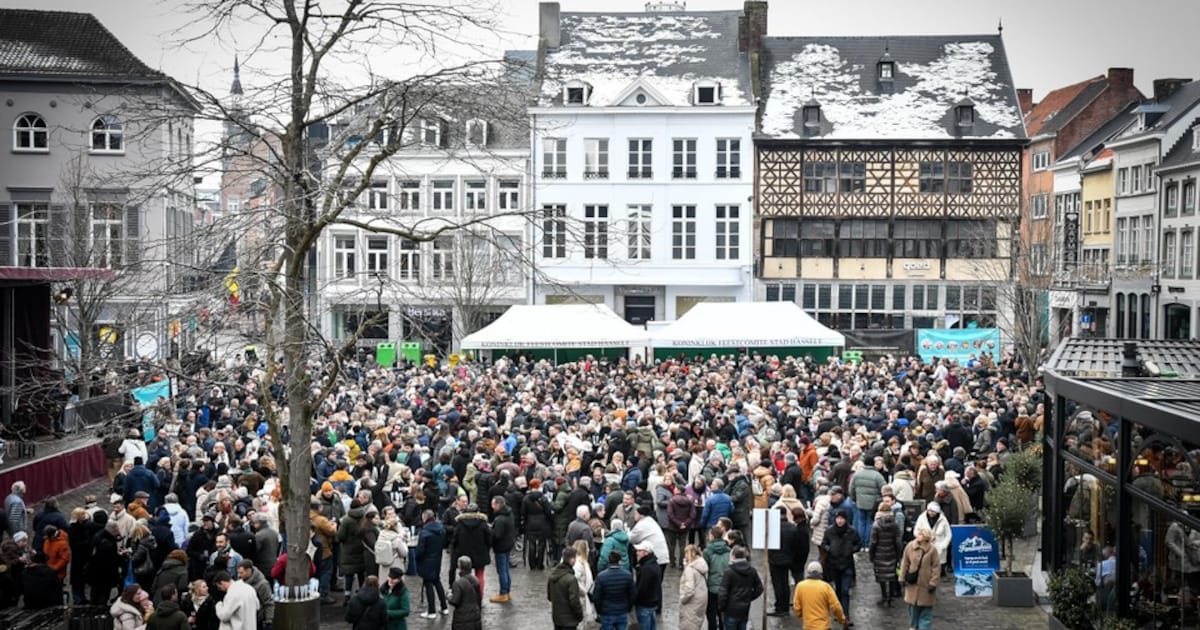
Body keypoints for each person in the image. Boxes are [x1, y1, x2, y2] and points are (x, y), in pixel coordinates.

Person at [820, 509, 860, 626]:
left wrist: (851, 550)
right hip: (833, 564)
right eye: (838, 518)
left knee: (845, 591)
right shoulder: (829, 531)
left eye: (842, 518)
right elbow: (824, 543)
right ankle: (839, 614)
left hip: (847, 564)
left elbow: (858, 543)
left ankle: (846, 616)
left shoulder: (852, 531)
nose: (839, 521)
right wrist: (829, 549)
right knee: (837, 591)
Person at [900, 527, 941, 630]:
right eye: (918, 533)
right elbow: (905, 563)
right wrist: (902, 577)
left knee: (926, 612)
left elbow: (936, 567)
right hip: (912, 585)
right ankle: (913, 627)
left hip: (926, 586)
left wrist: (933, 582)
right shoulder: (910, 547)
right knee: (913, 610)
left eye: (921, 534)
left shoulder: (932, 550)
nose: (918, 535)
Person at [718, 545, 763, 630]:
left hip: (730, 610)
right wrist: (749, 597)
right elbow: (759, 588)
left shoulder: (729, 572)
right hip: (744, 609)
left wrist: (721, 607)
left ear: (733, 556)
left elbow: (723, 592)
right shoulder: (752, 570)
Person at [792, 561, 847, 630]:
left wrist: (800, 614)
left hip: (808, 626)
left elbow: (796, 607)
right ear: (821, 573)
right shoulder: (826, 586)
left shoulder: (800, 586)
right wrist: (842, 620)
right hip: (823, 627)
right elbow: (836, 606)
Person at [414, 510, 448, 619]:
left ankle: (431, 611)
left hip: (426, 562)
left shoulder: (424, 532)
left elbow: (420, 551)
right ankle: (444, 607)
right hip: (437, 559)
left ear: (425, 518)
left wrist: (416, 558)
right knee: (437, 582)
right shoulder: (441, 529)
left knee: (428, 584)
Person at [589, 551, 634, 630]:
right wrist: (628, 608)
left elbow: (597, 597)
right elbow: (632, 595)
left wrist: (599, 611)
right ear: (619, 561)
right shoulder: (628, 575)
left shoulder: (601, 576)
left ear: (609, 561)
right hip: (622, 611)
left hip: (606, 612)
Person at [870, 507, 903, 607]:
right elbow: (898, 542)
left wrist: (871, 555)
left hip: (879, 554)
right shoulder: (895, 525)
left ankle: (884, 596)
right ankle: (890, 598)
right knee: (892, 576)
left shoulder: (876, 526)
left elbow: (873, 542)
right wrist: (899, 555)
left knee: (882, 577)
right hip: (892, 553)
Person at [548, 547, 584, 630]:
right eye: (575, 558)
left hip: (557, 618)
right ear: (571, 560)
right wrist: (579, 615)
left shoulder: (552, 576)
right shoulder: (571, 579)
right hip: (569, 621)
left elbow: (550, 597)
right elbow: (574, 602)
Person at [702, 527, 731, 630]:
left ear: (712, 536)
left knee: (711, 613)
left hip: (712, 587)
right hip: (725, 586)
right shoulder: (729, 550)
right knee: (723, 613)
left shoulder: (707, 551)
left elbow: (704, 569)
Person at [488, 496, 515, 603]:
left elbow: (497, 535)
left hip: (501, 547)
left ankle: (503, 593)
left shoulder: (499, 519)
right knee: (506, 570)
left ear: (498, 504)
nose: (492, 506)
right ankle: (507, 592)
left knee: (502, 570)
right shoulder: (509, 514)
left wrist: (490, 530)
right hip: (508, 544)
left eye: (493, 504)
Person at [913, 502, 951, 576]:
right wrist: (923, 537)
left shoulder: (943, 520)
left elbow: (948, 534)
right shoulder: (922, 518)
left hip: (939, 547)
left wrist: (943, 545)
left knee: (939, 570)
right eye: (929, 511)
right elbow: (916, 531)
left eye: (933, 511)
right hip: (925, 546)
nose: (930, 513)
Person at [235, 559, 273, 630]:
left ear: (248, 570)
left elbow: (268, 602)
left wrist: (269, 620)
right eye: (238, 573)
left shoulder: (262, 584)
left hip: (257, 620)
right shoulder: (240, 582)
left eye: (241, 573)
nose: (239, 575)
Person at [678, 544, 708, 630]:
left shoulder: (690, 569)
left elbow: (689, 590)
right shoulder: (702, 564)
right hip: (700, 601)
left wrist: (682, 599)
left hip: (691, 603)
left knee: (688, 625)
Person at [632, 541, 662, 630]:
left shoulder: (646, 569)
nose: (637, 553)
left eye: (639, 551)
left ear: (646, 553)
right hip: (652, 603)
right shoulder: (654, 564)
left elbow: (642, 589)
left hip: (644, 604)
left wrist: (634, 600)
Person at [448, 556, 482, 630]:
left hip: (462, 617)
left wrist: (449, 596)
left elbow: (455, 601)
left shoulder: (458, 583)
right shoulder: (476, 580)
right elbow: (479, 598)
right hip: (475, 615)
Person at [570, 539, 594, 624]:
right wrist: (582, 591)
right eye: (587, 548)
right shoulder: (578, 564)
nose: (588, 550)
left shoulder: (581, 562)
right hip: (578, 596)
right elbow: (573, 580)